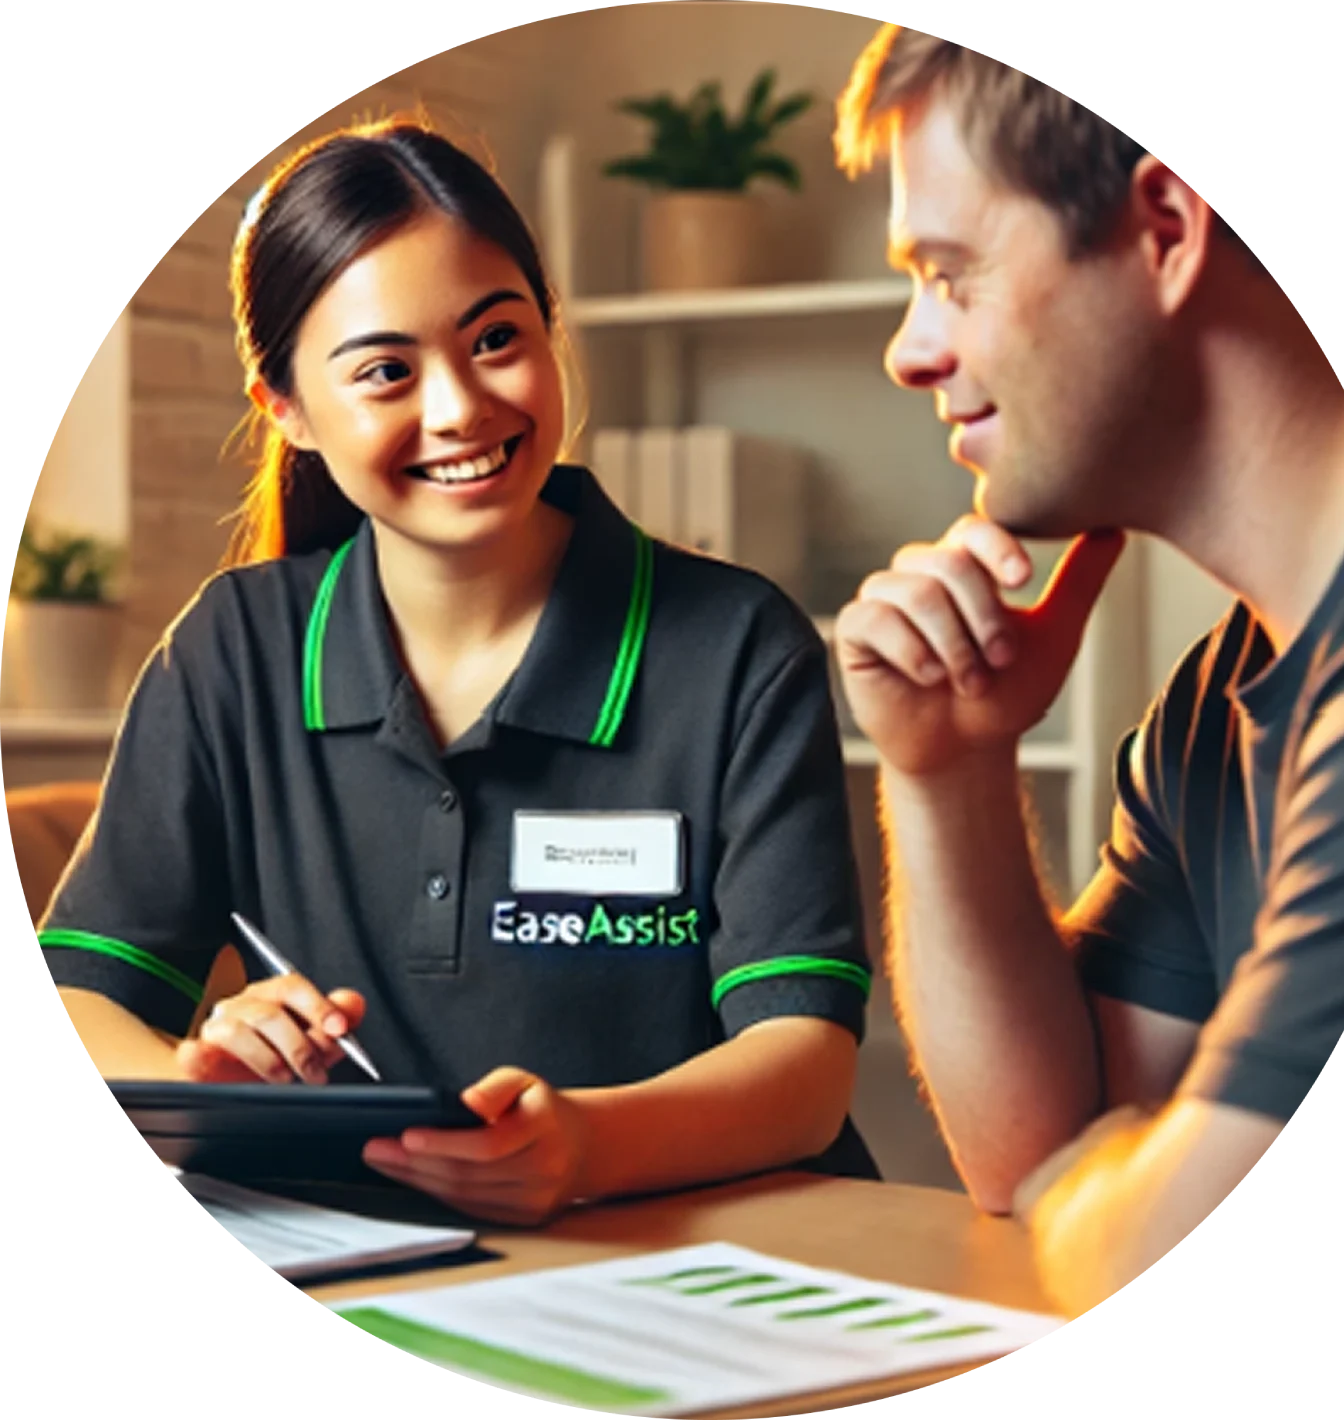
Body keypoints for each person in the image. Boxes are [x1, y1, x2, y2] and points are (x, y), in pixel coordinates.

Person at [37, 116, 881, 1225]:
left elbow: (805, 1068)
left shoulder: (736, 647)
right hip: (378, 1264)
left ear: (549, 326)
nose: (460, 408)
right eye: (386, 370)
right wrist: (198, 1081)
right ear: (285, 409)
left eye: (495, 339)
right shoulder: (229, 652)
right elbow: (83, 996)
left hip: (701, 1259)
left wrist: (581, 1144)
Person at [828, 24, 1344, 1316]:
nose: (910, 349)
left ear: (1162, 228)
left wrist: (1122, 1187)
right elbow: (1031, 1153)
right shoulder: (1221, 702)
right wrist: (947, 769)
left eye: (950, 275)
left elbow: (1141, 1248)